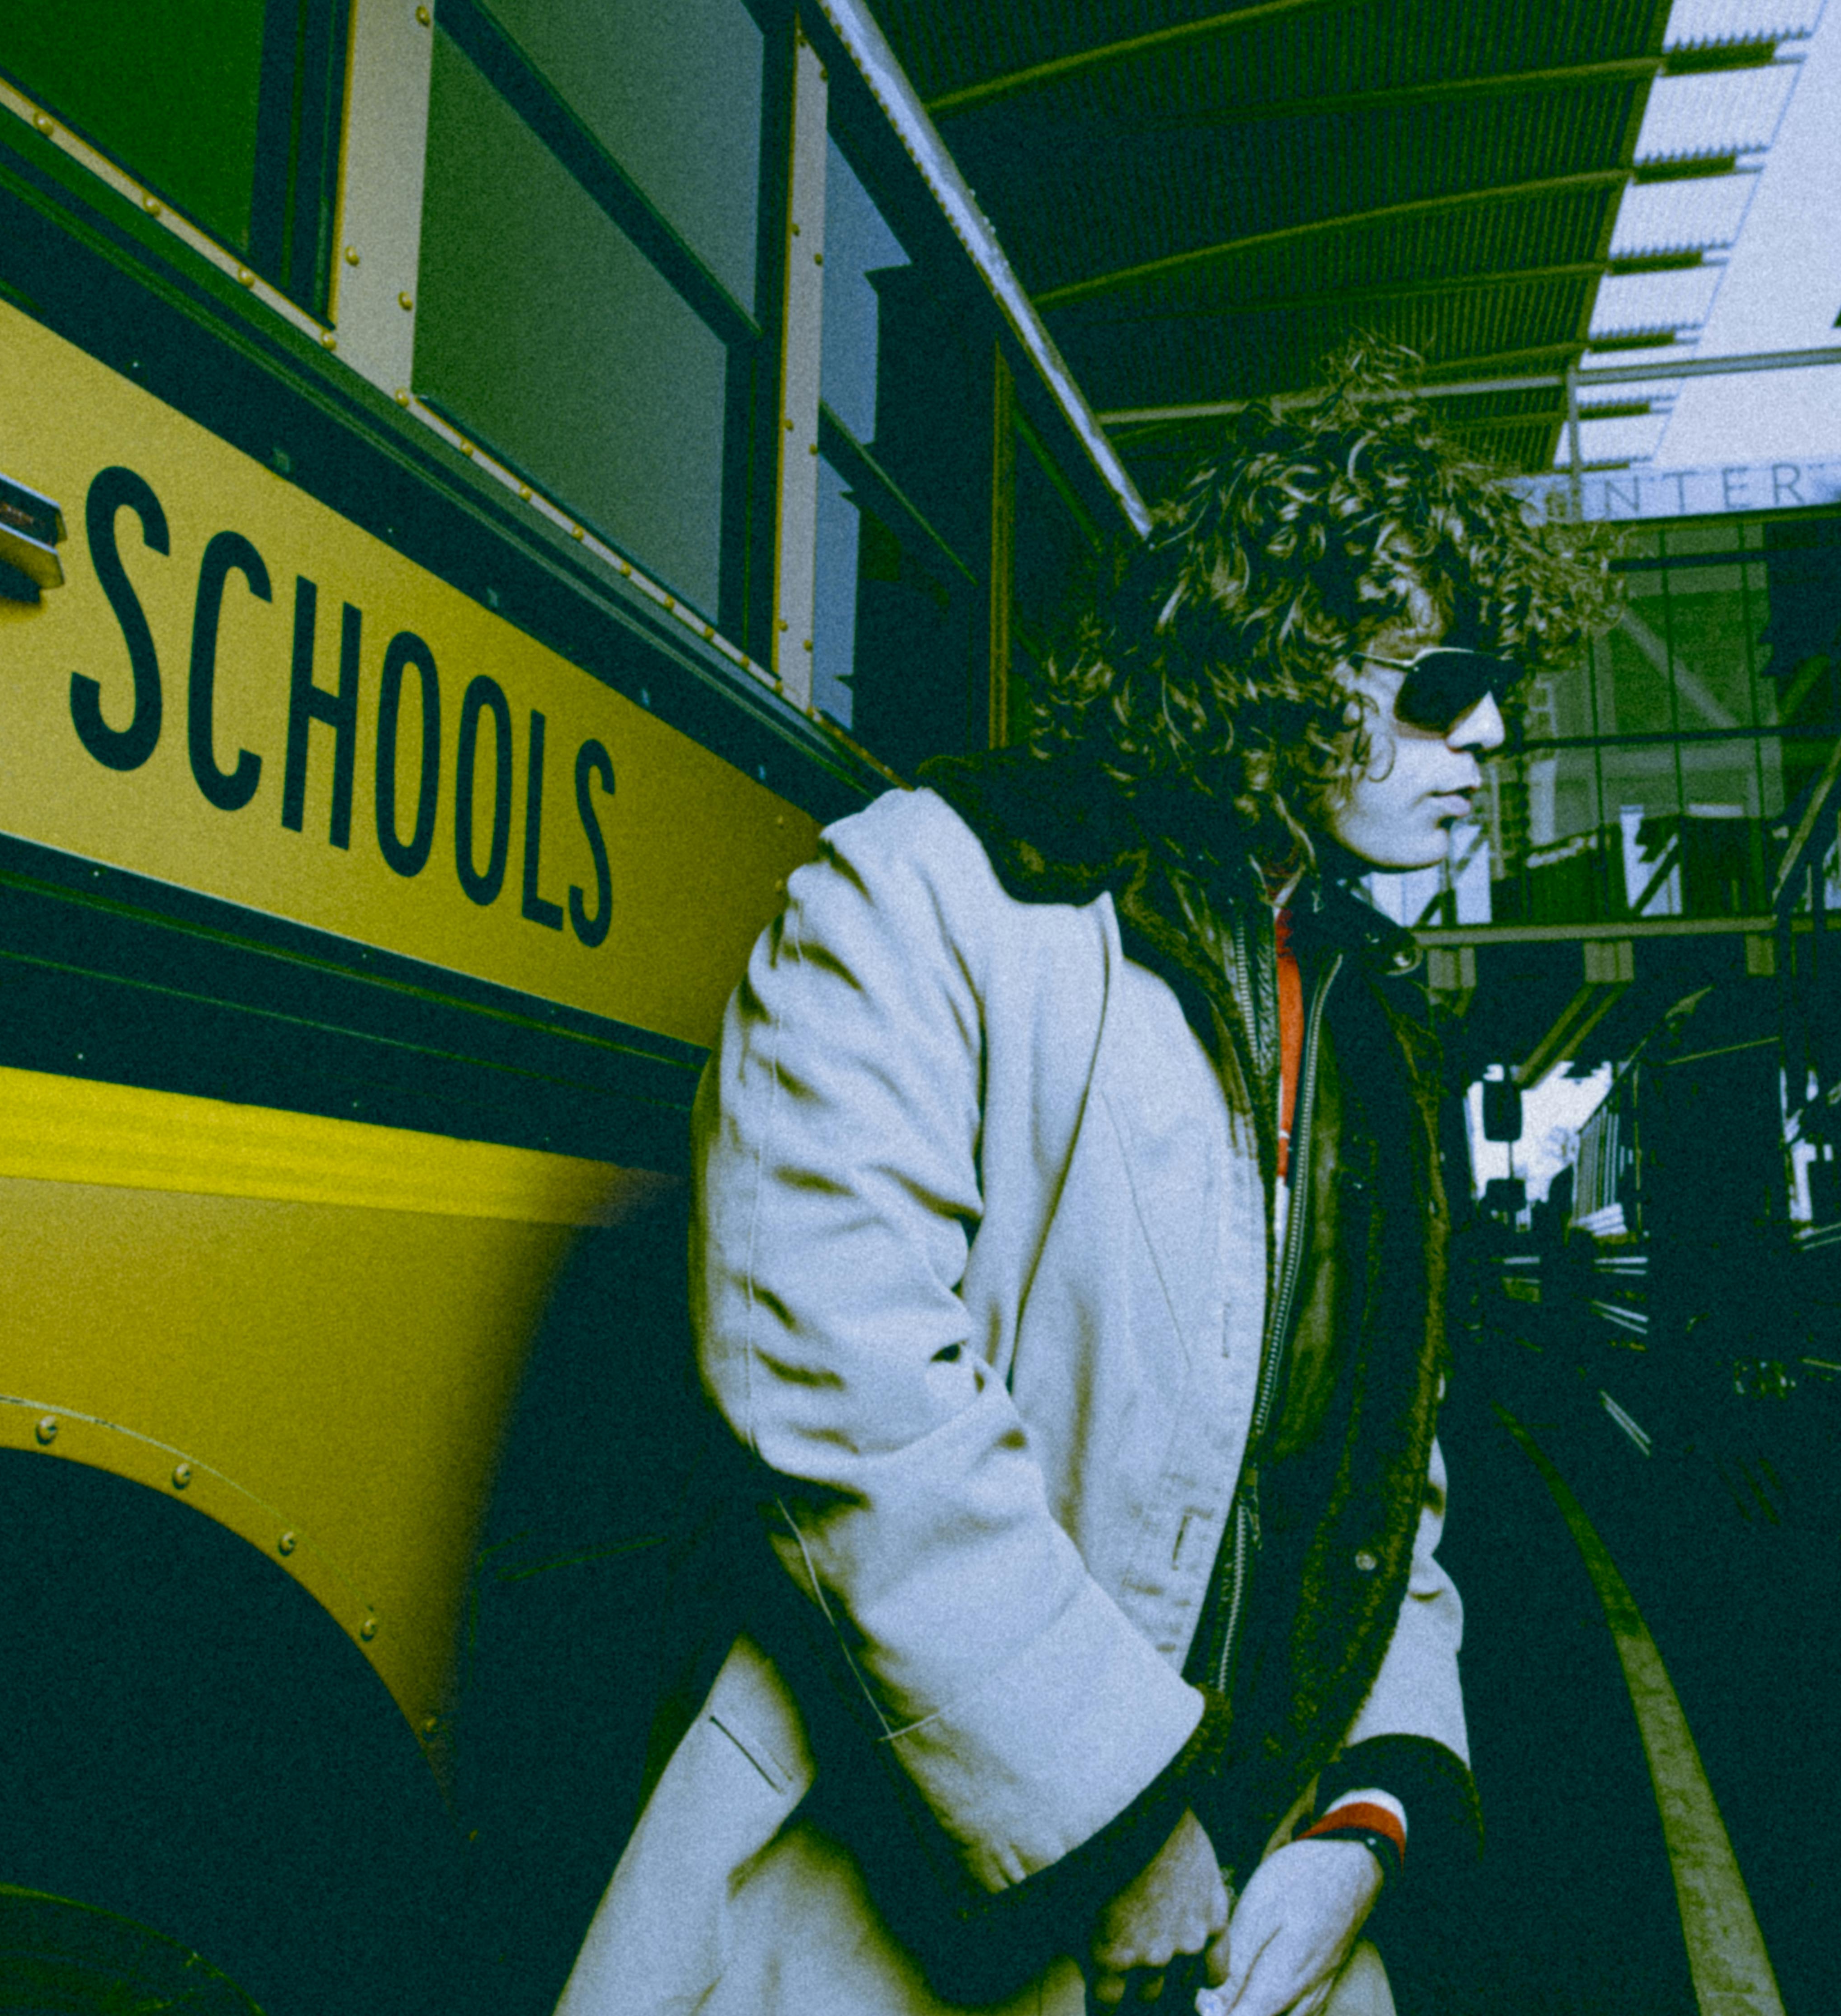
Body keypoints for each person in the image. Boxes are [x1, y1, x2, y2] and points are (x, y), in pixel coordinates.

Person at [556, 343, 1610, 2016]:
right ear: (1279, 660)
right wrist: (1118, 1826)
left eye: (1500, 692)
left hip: (1255, 1927)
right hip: (891, 1926)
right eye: (1439, 683)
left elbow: (1379, 1486)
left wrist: (1368, 1814)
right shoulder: (934, 890)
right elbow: (835, 1381)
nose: (1488, 735)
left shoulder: (1366, 1031)